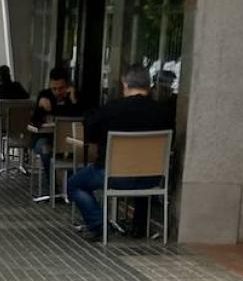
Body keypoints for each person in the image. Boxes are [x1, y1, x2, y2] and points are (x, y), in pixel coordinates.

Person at [66, 66, 171, 242]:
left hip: (114, 176)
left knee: (74, 184)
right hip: (152, 178)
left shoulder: (112, 109)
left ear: (125, 84)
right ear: (148, 85)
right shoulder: (163, 112)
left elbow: (90, 131)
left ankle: (98, 225)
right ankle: (139, 226)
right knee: (141, 164)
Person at [31, 66, 81, 179]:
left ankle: (68, 183)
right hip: (46, 138)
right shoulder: (45, 96)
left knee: (79, 151)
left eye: (61, 88)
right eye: (54, 89)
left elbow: (80, 118)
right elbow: (34, 121)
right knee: (44, 148)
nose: (57, 92)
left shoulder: (74, 97)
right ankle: (52, 183)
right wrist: (39, 107)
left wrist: (74, 101)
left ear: (67, 86)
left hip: (69, 139)